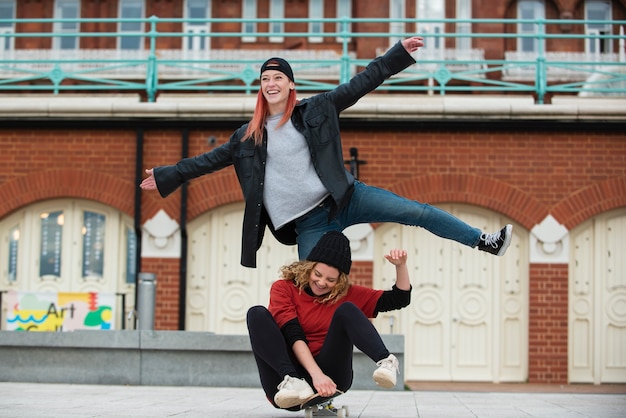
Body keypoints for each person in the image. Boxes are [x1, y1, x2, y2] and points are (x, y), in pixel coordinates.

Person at [140, 36, 513, 268]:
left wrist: (396, 56)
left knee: (417, 211)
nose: (271, 84)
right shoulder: (246, 138)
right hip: (309, 223)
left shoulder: (317, 109)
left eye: (278, 78)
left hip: (347, 197)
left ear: (290, 86)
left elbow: (359, 84)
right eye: (265, 79)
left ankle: (484, 242)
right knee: (313, 290)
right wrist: (166, 174)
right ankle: (316, 385)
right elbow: (205, 162)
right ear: (261, 88)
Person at [246, 231, 411, 410]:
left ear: (340, 280)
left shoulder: (346, 294)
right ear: (308, 267)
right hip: (287, 385)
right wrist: (315, 376)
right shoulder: (284, 289)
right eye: (317, 274)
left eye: (331, 279)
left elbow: (399, 299)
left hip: (332, 378)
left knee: (347, 309)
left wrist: (400, 266)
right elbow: (292, 333)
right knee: (256, 314)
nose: (322, 282)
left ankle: (387, 362)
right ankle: (293, 380)